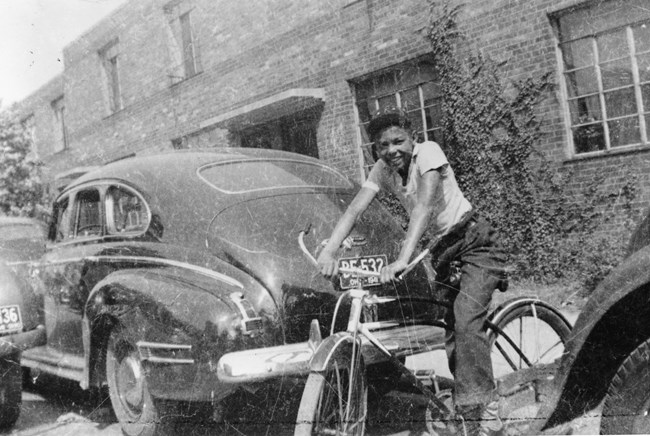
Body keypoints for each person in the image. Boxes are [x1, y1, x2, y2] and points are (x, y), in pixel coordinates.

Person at [317, 107, 507, 436]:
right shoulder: (382, 169)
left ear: (412, 138)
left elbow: (424, 205)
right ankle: (467, 410)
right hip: (444, 251)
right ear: (375, 149)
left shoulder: (429, 153)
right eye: (382, 145)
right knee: (449, 331)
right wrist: (330, 249)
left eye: (398, 141)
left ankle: (486, 410)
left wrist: (404, 257)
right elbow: (356, 208)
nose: (392, 151)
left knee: (465, 317)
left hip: (475, 242)